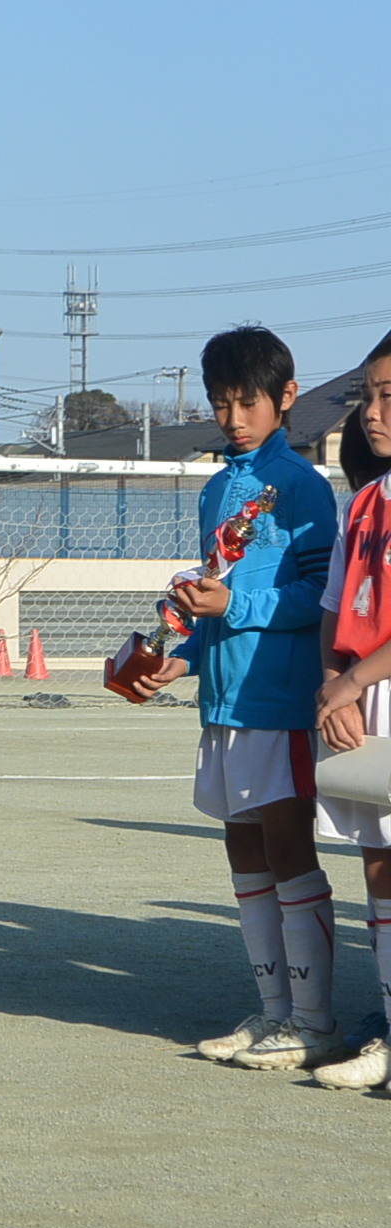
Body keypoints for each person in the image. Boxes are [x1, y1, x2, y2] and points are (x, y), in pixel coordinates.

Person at [133, 327, 339, 1071]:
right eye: (221, 403)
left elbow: (321, 595)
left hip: (277, 700)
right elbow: (211, 598)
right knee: (243, 850)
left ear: (286, 398)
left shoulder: (304, 486)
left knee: (288, 850)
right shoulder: (217, 487)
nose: (233, 418)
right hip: (222, 699)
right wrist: (180, 658)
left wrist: (236, 605)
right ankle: (275, 1012)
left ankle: (313, 1022)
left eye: (247, 402)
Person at [309, 333, 391, 1090]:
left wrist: (353, 679)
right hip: (365, 695)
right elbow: (335, 608)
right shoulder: (363, 502)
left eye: (389, 395)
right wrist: (335, 684)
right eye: (367, 395)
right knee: (379, 862)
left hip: (375, 681)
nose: (372, 411)